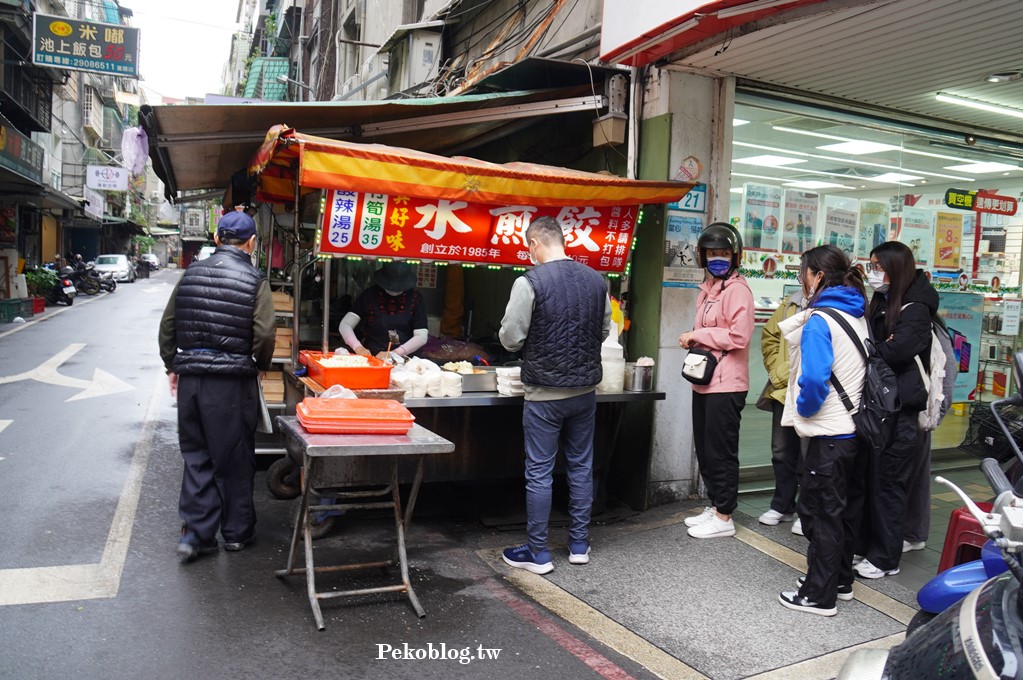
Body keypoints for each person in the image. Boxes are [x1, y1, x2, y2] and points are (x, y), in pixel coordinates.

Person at [158, 209, 275, 563]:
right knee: (235, 458)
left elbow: (168, 326)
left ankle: (195, 536)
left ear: (217, 239)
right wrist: (260, 365)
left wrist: (172, 365)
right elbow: (265, 332)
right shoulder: (255, 280)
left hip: (192, 380)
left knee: (196, 456)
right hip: (231, 383)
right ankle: (236, 533)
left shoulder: (190, 273)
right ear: (252, 243)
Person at [498, 216, 611, 574]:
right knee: (580, 467)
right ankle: (579, 545)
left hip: (544, 396)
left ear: (534, 243)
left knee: (540, 472)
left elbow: (511, 337)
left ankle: (538, 552)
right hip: (584, 393)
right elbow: (605, 328)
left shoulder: (528, 281)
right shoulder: (597, 281)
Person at [777, 244, 869, 616]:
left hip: (829, 434)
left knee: (821, 514)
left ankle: (819, 595)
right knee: (842, 512)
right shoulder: (855, 315)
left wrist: (804, 408)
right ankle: (839, 579)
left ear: (817, 275)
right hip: (853, 431)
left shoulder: (821, 320)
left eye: (803, 273)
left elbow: (813, 379)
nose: (802, 280)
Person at [855, 240, 937, 578]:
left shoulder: (915, 306)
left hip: (901, 408)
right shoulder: (886, 300)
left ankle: (886, 559)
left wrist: (877, 347)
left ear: (896, 268)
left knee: (890, 484)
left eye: (879, 266)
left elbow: (897, 350)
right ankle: (869, 548)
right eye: (871, 266)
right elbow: (880, 346)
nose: (874, 273)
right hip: (879, 405)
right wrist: (880, 346)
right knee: (873, 480)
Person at [679, 222, 755, 539]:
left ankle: (725, 516)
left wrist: (697, 335)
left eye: (723, 253)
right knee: (707, 449)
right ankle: (715, 505)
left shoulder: (739, 290)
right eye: (712, 253)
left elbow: (739, 335)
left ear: (734, 256)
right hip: (705, 382)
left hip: (727, 385)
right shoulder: (709, 290)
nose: (717, 259)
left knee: (721, 451)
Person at [758, 289, 806, 532]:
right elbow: (770, 337)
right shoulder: (792, 303)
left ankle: (806, 511)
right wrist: (778, 372)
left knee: (809, 457)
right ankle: (782, 505)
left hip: (814, 392)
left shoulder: (832, 305)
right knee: (781, 451)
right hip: (783, 390)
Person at [339, 261, 428, 360]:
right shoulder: (369, 295)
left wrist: (395, 353)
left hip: (406, 361)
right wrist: (358, 348)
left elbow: (422, 336)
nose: (395, 290)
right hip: (373, 358)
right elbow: (345, 325)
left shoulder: (415, 298)